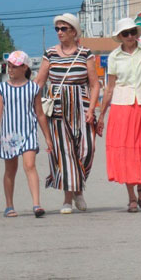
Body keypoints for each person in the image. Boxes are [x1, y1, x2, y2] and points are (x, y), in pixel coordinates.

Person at [96, 17, 141, 213]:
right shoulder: (114, 57)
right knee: (126, 153)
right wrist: (102, 115)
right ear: (119, 36)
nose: (130, 36)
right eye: (125, 33)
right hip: (121, 106)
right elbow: (109, 88)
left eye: (133, 32)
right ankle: (132, 197)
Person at [35, 13, 100, 214]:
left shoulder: (85, 53)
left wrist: (91, 109)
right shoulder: (50, 54)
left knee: (87, 151)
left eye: (64, 29)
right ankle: (68, 199)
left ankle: (78, 188)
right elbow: (39, 82)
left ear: (74, 31)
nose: (60, 32)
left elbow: (94, 84)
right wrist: (29, 101)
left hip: (82, 105)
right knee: (65, 152)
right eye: (57, 29)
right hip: (58, 107)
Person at [0, 50, 53, 218]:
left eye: (15, 66)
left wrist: (47, 137)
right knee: (10, 170)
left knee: (30, 165)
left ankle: (36, 204)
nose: (11, 69)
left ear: (25, 67)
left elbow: (40, 114)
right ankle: (9, 205)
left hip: (28, 133)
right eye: (9, 66)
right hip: (9, 135)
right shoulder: (2, 88)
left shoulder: (33, 88)